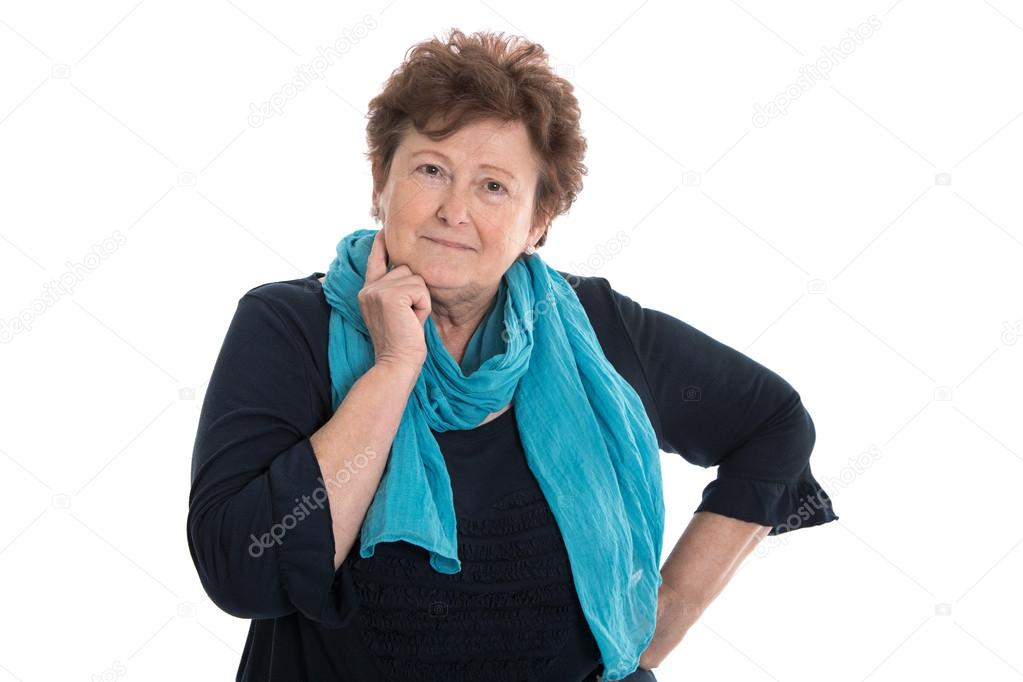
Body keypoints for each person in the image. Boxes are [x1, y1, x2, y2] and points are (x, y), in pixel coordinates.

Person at [186, 28, 838, 682]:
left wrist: (651, 627)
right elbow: (245, 573)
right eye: (430, 169)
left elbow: (773, 425)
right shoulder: (288, 326)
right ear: (381, 182)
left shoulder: (597, 333)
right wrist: (390, 372)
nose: (453, 210)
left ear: (538, 222)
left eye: (493, 187)